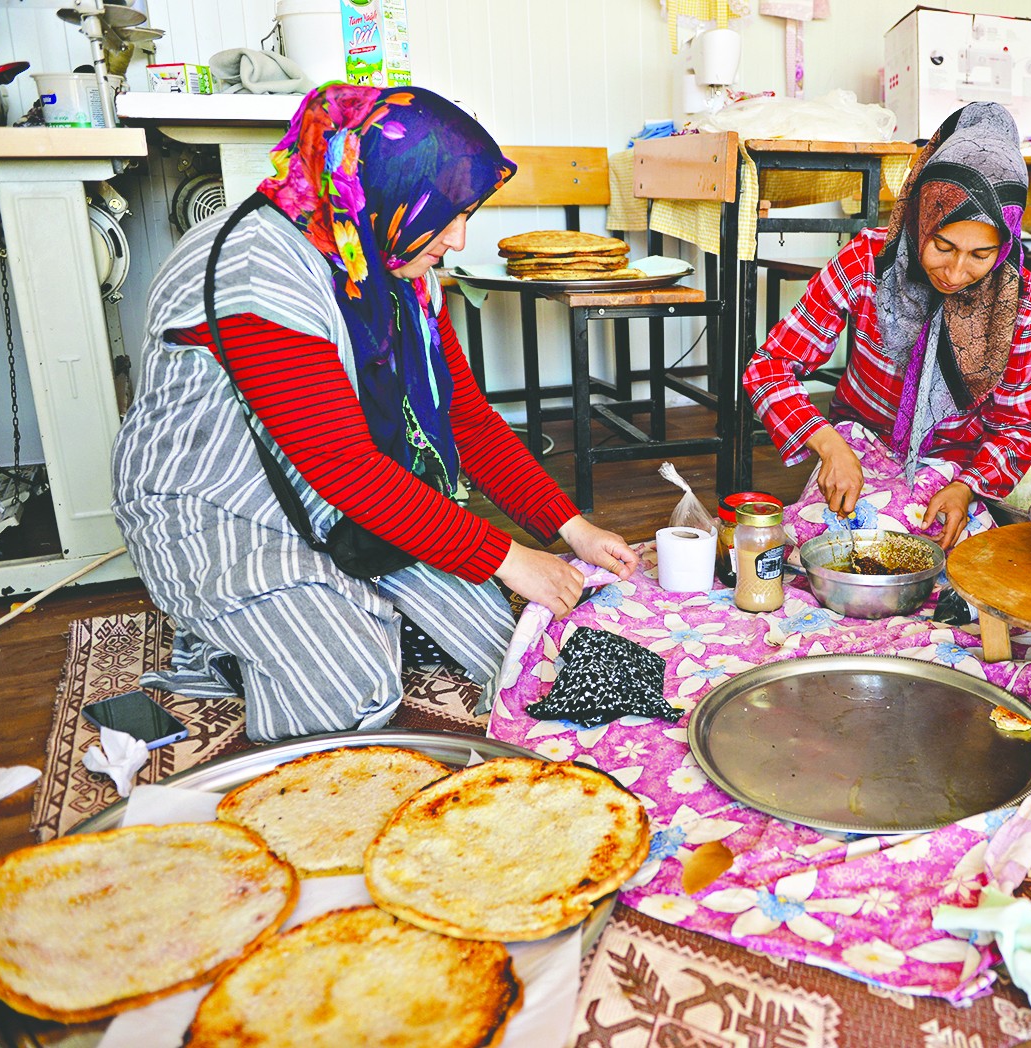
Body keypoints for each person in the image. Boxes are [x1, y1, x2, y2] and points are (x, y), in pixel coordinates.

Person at [111, 85, 637, 742]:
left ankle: (337, 609)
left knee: (515, 647)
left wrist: (571, 528)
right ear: (383, 186)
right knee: (352, 695)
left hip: (331, 495)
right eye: (446, 214)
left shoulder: (388, 254)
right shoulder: (256, 271)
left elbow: (465, 420)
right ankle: (218, 641)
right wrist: (506, 555)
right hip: (218, 508)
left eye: (465, 213)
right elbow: (344, 465)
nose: (458, 238)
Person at [743, 102, 1031, 550]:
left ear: (1005, 245)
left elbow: (1015, 430)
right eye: (942, 245)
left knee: (957, 564)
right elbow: (768, 366)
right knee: (831, 544)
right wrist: (829, 447)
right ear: (921, 217)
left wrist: (966, 488)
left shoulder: (1022, 301)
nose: (956, 271)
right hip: (861, 447)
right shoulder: (868, 262)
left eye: (981, 255)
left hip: (956, 468)